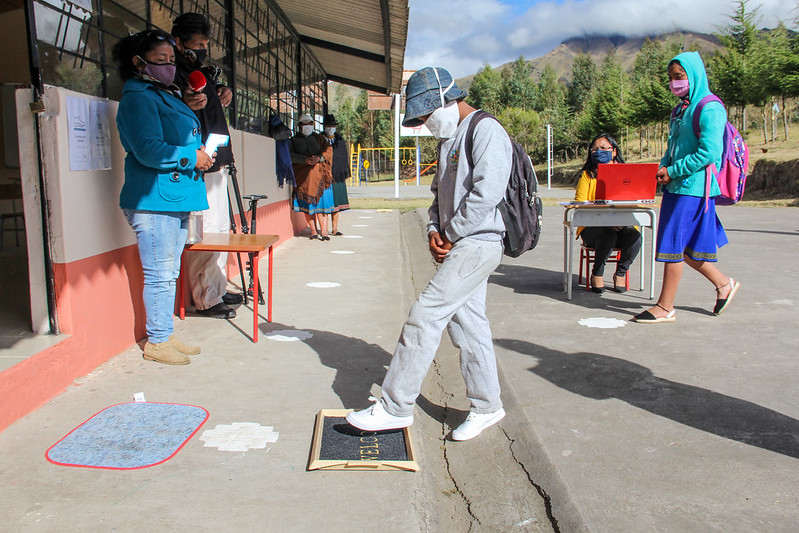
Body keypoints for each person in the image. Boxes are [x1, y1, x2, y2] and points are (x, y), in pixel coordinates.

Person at [346, 66, 512, 441]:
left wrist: (450, 234)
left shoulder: (486, 130)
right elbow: (440, 195)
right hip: (460, 242)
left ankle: (394, 407)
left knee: (425, 314)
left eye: (424, 115)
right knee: (468, 325)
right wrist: (434, 229)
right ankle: (488, 406)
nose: (423, 123)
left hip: (479, 243)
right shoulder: (450, 138)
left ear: (444, 100)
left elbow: (488, 195)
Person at [113, 29, 214, 365]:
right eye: (161, 60)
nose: (169, 66)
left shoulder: (164, 94)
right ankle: (156, 341)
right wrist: (191, 156)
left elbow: (174, 133)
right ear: (138, 62)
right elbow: (149, 149)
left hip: (173, 196)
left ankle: (164, 333)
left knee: (169, 272)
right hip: (154, 199)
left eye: (171, 60)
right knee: (158, 273)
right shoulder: (138, 97)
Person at [633, 51, 740, 324]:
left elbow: (709, 153)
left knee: (673, 247)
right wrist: (663, 166)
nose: (674, 83)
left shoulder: (710, 107)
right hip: (677, 186)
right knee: (691, 250)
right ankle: (724, 285)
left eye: (679, 77)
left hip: (693, 188)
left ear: (693, 76)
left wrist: (675, 170)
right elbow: (673, 147)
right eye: (670, 78)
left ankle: (665, 307)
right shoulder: (681, 108)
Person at [171, 13, 241, 319]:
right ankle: (205, 297)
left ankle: (218, 285)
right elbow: (171, 111)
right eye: (196, 44)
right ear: (178, 42)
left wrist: (221, 90)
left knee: (221, 229)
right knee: (206, 231)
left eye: (205, 44)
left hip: (218, 160)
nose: (201, 49)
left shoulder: (201, 72)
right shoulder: (173, 74)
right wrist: (184, 101)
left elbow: (212, 97)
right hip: (198, 164)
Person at [575, 133, 642, 293]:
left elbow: (634, 201)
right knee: (608, 233)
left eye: (604, 148)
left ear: (614, 151)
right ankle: (597, 273)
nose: (599, 152)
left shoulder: (627, 175)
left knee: (635, 235)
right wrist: (607, 220)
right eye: (595, 149)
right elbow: (580, 203)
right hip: (592, 227)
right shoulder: (587, 175)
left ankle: (621, 273)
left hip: (622, 224)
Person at [290, 114, 334, 240]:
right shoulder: (293, 141)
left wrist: (319, 158)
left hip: (320, 178)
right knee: (307, 207)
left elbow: (329, 150)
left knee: (322, 207)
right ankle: (313, 231)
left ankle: (324, 232)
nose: (308, 126)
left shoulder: (319, 138)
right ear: (299, 126)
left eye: (310, 123)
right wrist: (304, 160)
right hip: (303, 179)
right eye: (305, 124)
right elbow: (290, 155)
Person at [322, 114, 350, 235]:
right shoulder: (319, 139)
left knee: (336, 202)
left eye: (332, 126)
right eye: (328, 126)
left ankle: (335, 228)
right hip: (323, 176)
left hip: (337, 176)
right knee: (324, 203)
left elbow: (342, 157)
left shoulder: (340, 140)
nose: (330, 128)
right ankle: (323, 229)